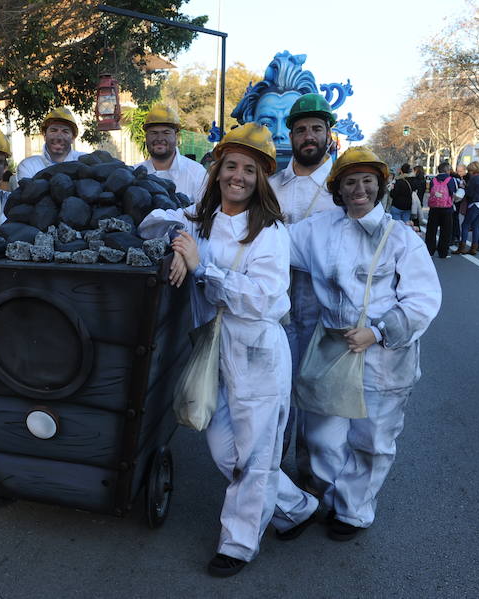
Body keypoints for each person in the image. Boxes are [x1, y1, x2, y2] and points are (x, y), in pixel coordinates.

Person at [139, 123, 319, 578]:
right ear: (217, 171)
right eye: (231, 166)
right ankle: (297, 507)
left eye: (249, 170)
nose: (237, 176)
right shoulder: (201, 220)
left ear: (261, 179)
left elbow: (267, 300)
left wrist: (206, 271)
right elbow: (150, 223)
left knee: (256, 458)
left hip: (257, 353)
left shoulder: (271, 231)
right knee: (226, 454)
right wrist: (179, 247)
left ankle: (237, 544)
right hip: (212, 351)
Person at [288, 146, 441, 541]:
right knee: (322, 436)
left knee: (372, 441)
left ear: (380, 185)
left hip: (384, 359)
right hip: (333, 351)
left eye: (367, 181)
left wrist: (378, 331)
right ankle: (333, 496)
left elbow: (423, 300)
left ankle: (353, 511)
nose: (359, 189)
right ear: (338, 189)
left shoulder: (402, 239)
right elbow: (273, 243)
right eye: (350, 182)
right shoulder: (316, 229)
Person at [268, 93, 338, 479]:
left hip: (324, 303)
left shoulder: (344, 187)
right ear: (291, 135)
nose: (308, 136)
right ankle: (272, 477)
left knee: (317, 397)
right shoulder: (272, 185)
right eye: (300, 130)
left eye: (316, 128)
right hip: (278, 303)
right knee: (278, 392)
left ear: (328, 133)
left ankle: (313, 478)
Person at [135, 104, 208, 203]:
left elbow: (206, 212)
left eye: (166, 133)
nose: (159, 138)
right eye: (154, 133)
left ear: (176, 136)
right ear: (146, 137)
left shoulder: (197, 174)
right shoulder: (134, 174)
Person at [16, 108, 85, 180]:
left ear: (73, 138)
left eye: (65, 131)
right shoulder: (28, 166)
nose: (59, 137)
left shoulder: (84, 162)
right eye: (53, 130)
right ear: (44, 135)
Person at [454, 161, 479, 255]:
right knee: (476, 226)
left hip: (476, 204)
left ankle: (462, 247)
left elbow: (469, 193)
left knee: (465, 225)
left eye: (469, 170)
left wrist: (463, 187)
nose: (469, 172)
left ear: (473, 170)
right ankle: (474, 248)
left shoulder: (474, 179)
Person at [424, 162, 458, 259]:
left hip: (434, 208)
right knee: (445, 231)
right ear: (447, 170)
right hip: (446, 209)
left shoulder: (433, 180)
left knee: (431, 230)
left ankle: (429, 250)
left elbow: (431, 191)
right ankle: (443, 252)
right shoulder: (451, 180)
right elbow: (453, 193)